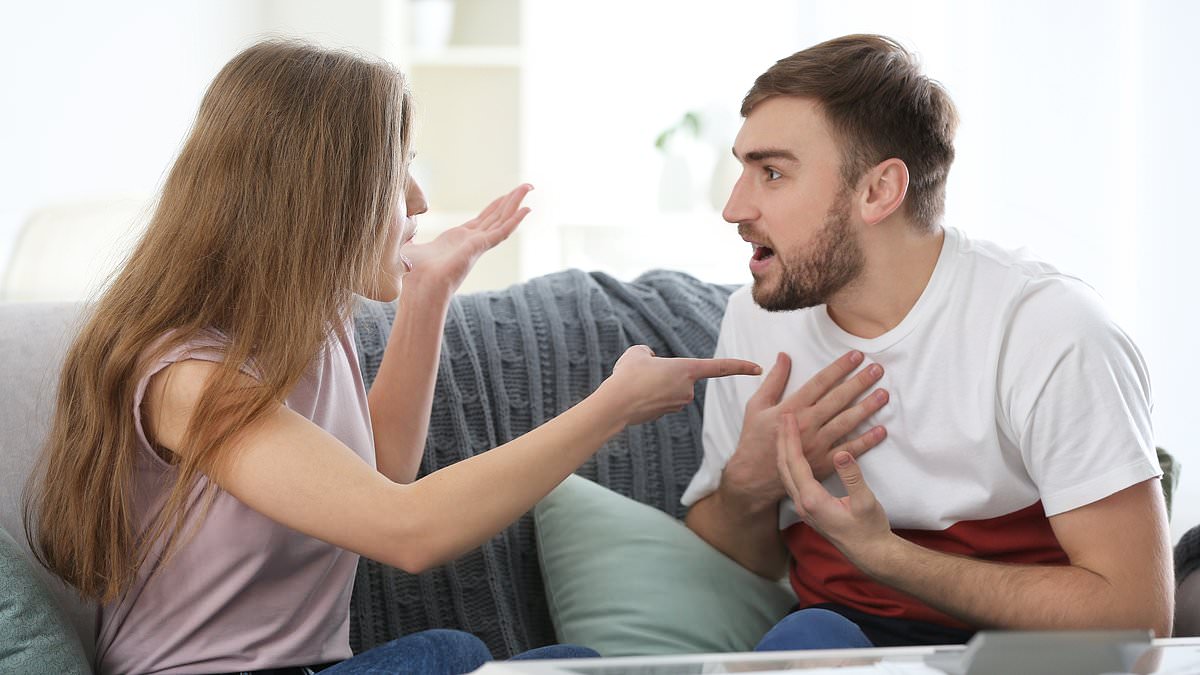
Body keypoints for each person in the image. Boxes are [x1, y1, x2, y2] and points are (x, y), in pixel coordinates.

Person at [23, 40, 761, 675]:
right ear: (319, 197)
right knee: (452, 651)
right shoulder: (191, 378)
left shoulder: (313, 327)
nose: (414, 199)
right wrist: (611, 406)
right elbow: (406, 529)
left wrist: (428, 294)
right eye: (396, 170)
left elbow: (378, 473)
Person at [682, 34, 1173, 650]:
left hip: (1021, 658)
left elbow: (1138, 616)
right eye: (742, 169)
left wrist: (887, 556)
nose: (734, 207)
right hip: (835, 646)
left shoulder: (1049, 330)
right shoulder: (757, 320)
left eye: (772, 172)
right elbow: (738, 559)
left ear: (879, 191)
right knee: (809, 636)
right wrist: (752, 481)